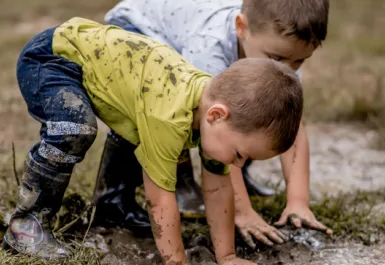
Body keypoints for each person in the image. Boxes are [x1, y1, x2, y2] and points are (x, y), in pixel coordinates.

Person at [7, 17, 304, 265]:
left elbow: (217, 189)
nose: (239, 163)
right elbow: (160, 198)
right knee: (76, 128)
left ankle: (112, 209)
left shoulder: (212, 115)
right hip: (54, 58)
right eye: (240, 154)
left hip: (101, 68)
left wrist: (225, 257)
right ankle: (27, 222)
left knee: (136, 131)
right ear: (216, 115)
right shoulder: (169, 117)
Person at [97, 0, 333, 248]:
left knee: (261, 111)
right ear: (242, 27)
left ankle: (239, 178)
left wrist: (298, 202)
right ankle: (129, 195)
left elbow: (292, 129)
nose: (287, 69)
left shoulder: (283, 59)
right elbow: (220, 131)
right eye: (277, 58)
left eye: (299, 62)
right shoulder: (210, 47)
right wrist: (240, 211)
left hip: (184, 30)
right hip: (139, 29)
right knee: (166, 111)